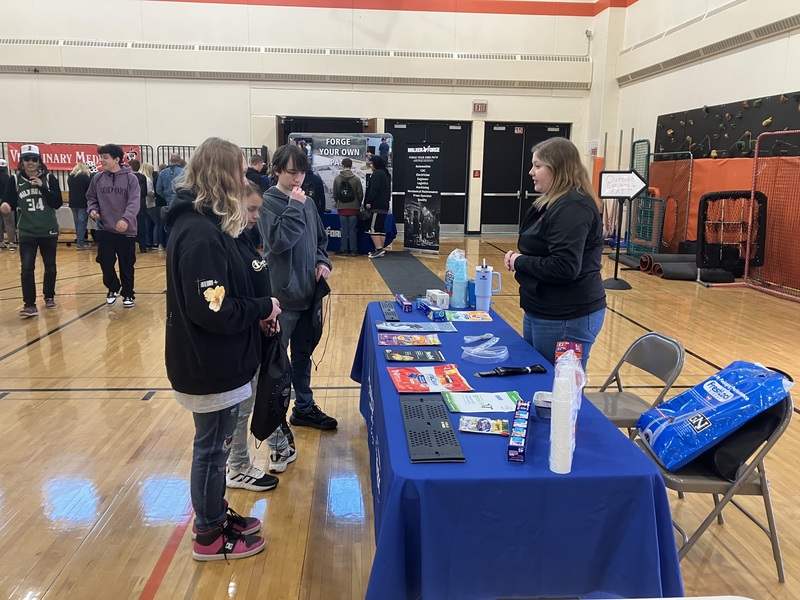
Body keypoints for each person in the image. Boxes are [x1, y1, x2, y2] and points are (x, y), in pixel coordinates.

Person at [164, 137, 279, 561]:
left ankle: (214, 514)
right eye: (241, 172)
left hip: (219, 359)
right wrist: (261, 306)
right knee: (212, 450)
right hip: (208, 363)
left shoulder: (210, 225)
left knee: (214, 446)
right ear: (221, 176)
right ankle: (208, 534)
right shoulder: (199, 234)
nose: (245, 179)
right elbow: (213, 309)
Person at [504, 137, 606, 369]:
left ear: (558, 168)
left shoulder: (573, 206)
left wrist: (520, 261)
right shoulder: (553, 202)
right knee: (536, 377)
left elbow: (564, 267)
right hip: (542, 309)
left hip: (566, 316)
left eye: (538, 166)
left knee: (557, 389)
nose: (531, 172)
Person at [258, 143, 337, 431]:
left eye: (302, 172)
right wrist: (294, 205)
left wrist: (322, 262)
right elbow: (278, 242)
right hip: (281, 298)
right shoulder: (269, 202)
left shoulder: (308, 202)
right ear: (277, 170)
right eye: (292, 172)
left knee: (303, 356)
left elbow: (319, 241)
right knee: (276, 362)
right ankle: (274, 416)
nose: (298, 178)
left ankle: (303, 408)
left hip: (308, 294)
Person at [225, 183, 289, 488]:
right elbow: (229, 302)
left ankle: (274, 446)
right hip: (241, 342)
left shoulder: (245, 239)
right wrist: (261, 310)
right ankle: (237, 465)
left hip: (258, 332)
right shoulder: (225, 243)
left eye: (258, 209)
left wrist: (265, 317)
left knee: (261, 398)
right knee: (241, 410)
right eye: (251, 209)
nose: (256, 216)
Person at [1, 144, 63, 318]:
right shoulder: (14, 180)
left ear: (39, 161)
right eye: (27, 159)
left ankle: (49, 296)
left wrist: (42, 186)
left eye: (34, 159)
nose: (30, 163)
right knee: (27, 268)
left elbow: (57, 203)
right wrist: (5, 206)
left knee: (50, 267)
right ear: (21, 161)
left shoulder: (50, 179)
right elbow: (9, 201)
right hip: (27, 230)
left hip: (48, 230)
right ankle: (29, 304)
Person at [86, 143, 140, 308]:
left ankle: (128, 293)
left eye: (105, 157)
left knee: (126, 263)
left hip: (126, 229)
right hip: (104, 228)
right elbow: (91, 198)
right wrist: (92, 209)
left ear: (117, 159)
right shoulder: (98, 178)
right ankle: (112, 287)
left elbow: (134, 201)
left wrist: (125, 219)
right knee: (105, 261)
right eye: (101, 157)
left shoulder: (131, 179)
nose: (102, 160)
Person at [332, 158, 364, 256]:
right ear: (351, 165)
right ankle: (354, 250)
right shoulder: (356, 179)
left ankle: (343, 249)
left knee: (344, 229)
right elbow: (360, 194)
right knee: (353, 230)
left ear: (342, 165)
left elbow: (335, 194)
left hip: (342, 207)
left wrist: (338, 202)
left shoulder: (337, 179)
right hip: (354, 208)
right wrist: (357, 204)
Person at [364, 155, 391, 259]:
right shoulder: (386, 174)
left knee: (373, 228)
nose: (370, 165)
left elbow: (373, 189)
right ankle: (380, 249)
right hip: (384, 205)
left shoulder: (377, 174)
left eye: (371, 163)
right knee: (381, 227)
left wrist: (369, 201)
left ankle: (378, 249)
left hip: (377, 205)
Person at [67, 162, 92, 250]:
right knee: (82, 223)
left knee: (77, 223)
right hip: (83, 203)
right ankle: (80, 243)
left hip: (73, 202)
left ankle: (79, 240)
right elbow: (90, 190)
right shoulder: (85, 177)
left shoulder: (70, 177)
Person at [129, 159, 150, 253]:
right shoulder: (142, 177)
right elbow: (144, 192)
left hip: (130, 204)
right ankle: (143, 246)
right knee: (141, 225)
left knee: (130, 225)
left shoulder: (128, 177)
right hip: (141, 203)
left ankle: (131, 246)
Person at [0, 158, 17, 250]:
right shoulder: (8, 178)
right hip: (6, 202)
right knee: (9, 223)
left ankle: (0, 242)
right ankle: (11, 242)